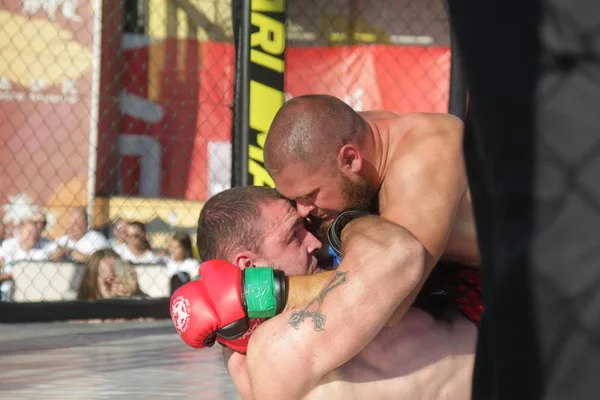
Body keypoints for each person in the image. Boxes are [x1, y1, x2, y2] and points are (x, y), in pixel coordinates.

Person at [171, 186, 480, 399]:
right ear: (249, 266)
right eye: (294, 235)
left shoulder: (240, 356)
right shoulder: (279, 344)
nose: (314, 243)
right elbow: (399, 252)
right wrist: (342, 222)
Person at [263, 95, 479, 325]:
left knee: (376, 341)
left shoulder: (422, 161)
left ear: (350, 159)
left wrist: (264, 292)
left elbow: (388, 299)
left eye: (309, 194)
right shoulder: (353, 138)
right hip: (458, 278)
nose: (303, 210)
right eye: (294, 198)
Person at [77, 248, 145, 300]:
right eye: (102, 271)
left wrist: (135, 292)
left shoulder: (130, 298)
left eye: (114, 270)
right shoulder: (81, 308)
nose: (110, 277)